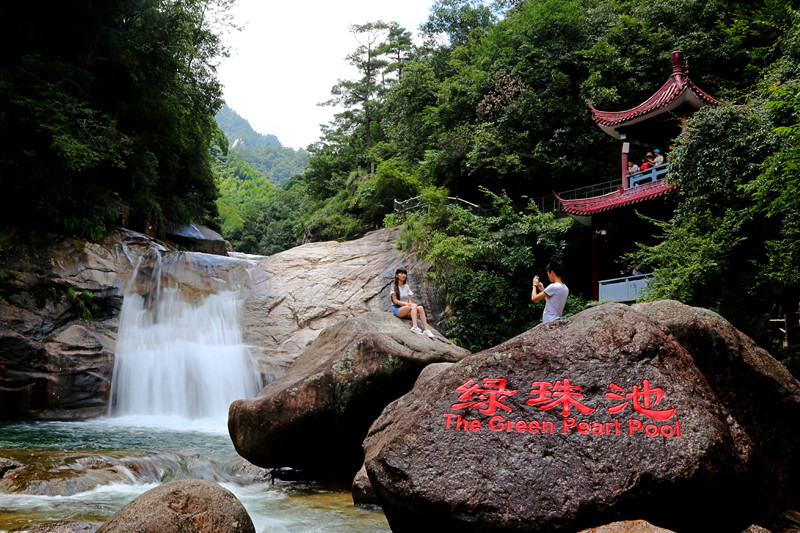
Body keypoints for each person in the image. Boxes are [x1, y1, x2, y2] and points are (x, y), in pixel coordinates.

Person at [390, 267, 435, 338]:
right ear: (396, 275)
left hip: (407, 309)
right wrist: (407, 304)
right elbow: (395, 301)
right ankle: (415, 327)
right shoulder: (393, 286)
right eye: (401, 273)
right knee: (413, 305)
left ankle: (426, 330)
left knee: (420, 308)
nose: (403, 275)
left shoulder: (406, 286)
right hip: (398, 310)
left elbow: (410, 301)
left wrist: (410, 305)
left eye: (405, 273)